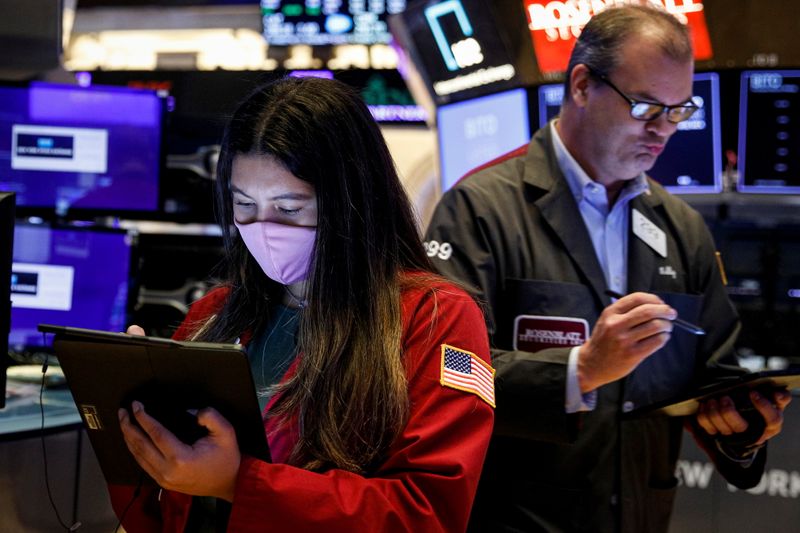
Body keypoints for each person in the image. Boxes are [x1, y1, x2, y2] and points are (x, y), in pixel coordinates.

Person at [424, 5, 790, 532]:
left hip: (642, 515)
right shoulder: (480, 209)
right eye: (645, 107)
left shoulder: (681, 229)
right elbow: (445, 372)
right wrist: (580, 371)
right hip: (518, 518)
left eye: (679, 110)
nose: (664, 130)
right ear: (580, 85)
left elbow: (716, 375)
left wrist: (744, 426)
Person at [109, 76, 495, 532]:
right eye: (245, 205)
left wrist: (241, 483)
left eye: (290, 209)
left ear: (353, 201)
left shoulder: (435, 317)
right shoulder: (212, 315)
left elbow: (427, 513)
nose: (263, 228)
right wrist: (135, 408)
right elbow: (158, 508)